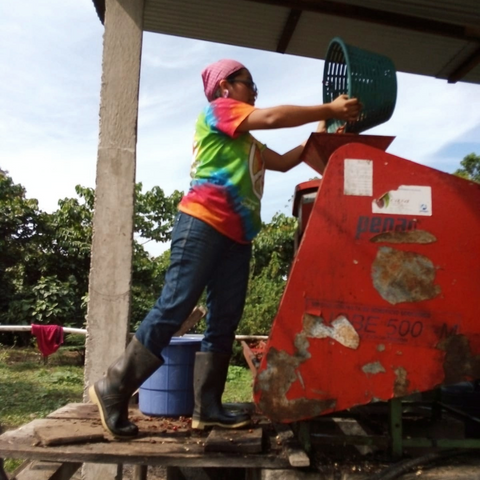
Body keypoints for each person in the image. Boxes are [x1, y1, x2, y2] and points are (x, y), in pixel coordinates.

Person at [89, 59, 361, 438]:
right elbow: (272, 117)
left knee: (225, 318)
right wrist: (327, 108)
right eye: (250, 84)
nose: (254, 92)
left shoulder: (247, 140)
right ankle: (114, 387)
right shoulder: (218, 112)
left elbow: (285, 162)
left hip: (237, 237)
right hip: (202, 223)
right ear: (225, 87)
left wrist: (323, 126)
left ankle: (208, 408)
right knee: (175, 304)